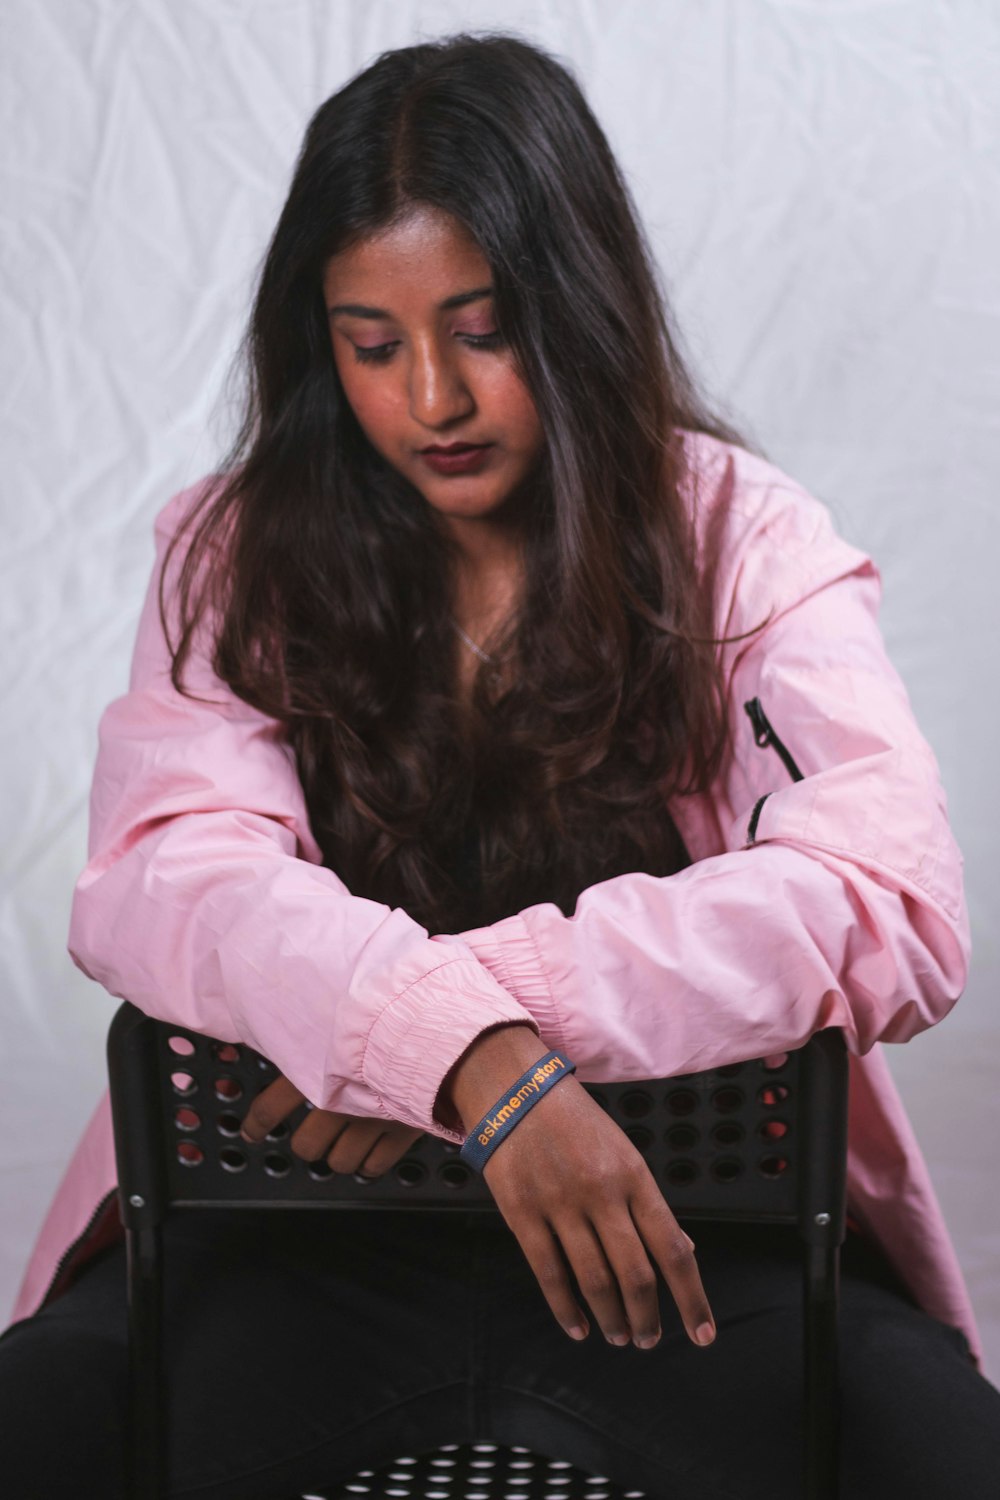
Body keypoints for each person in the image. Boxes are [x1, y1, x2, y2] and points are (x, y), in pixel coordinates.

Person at [1, 30, 998, 1500]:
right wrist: (469, 1067)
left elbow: (887, 897)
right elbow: (166, 880)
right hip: (298, 1247)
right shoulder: (235, 551)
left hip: (681, 1244)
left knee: (944, 1444)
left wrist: (471, 1040)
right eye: (371, 343)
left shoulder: (743, 537)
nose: (431, 401)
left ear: (576, 307)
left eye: (480, 330)